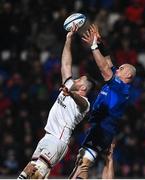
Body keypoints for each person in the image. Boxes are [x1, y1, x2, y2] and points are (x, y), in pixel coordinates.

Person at [17, 25, 95, 179]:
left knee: (37, 173)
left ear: (84, 87)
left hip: (58, 140)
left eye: (80, 79)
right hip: (47, 137)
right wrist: (68, 39)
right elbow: (65, 64)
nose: (76, 78)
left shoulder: (84, 102)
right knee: (28, 171)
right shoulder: (69, 86)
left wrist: (70, 95)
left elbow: (81, 103)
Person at [69, 24, 136, 179]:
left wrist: (93, 47)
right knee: (103, 158)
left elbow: (104, 69)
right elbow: (108, 61)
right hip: (105, 127)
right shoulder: (118, 82)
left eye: (122, 68)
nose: (118, 68)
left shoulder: (120, 87)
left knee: (83, 162)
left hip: (102, 127)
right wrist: (99, 42)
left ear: (128, 76)